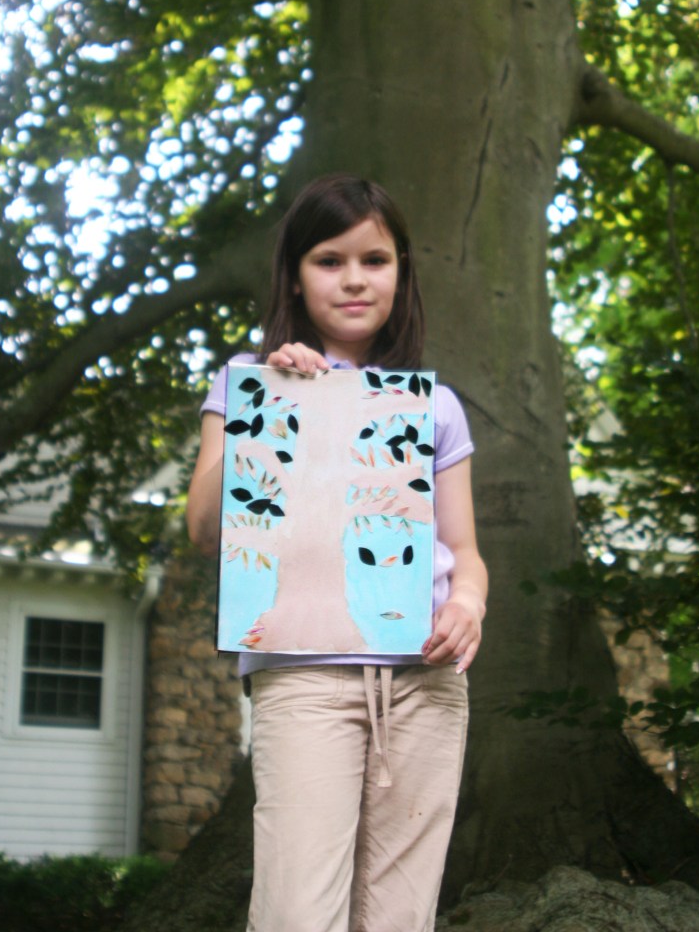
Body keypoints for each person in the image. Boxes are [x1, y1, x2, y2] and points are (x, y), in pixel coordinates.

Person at [186, 174, 487, 932]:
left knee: (398, 918)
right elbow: (204, 527)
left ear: (400, 272)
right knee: (297, 913)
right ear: (295, 274)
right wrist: (271, 404)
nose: (354, 279)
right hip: (304, 675)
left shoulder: (435, 406)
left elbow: (463, 550)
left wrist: (468, 603)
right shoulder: (247, 383)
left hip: (425, 682)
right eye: (329, 259)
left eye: (374, 260)